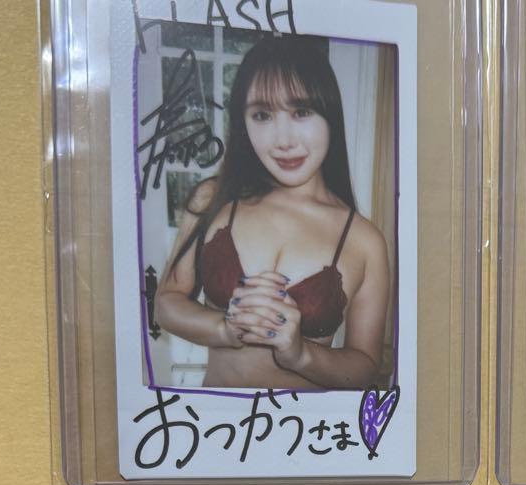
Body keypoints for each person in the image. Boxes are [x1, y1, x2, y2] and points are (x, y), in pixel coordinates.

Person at [155, 34, 392, 391]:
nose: (283, 140)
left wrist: (301, 354)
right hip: (217, 421)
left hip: (303, 427)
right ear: (243, 122)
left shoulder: (365, 241)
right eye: (262, 115)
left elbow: (365, 366)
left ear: (330, 115)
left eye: (301, 112)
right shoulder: (213, 199)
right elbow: (166, 303)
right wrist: (225, 328)